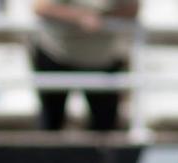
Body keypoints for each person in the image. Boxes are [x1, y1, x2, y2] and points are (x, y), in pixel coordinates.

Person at [31, 0, 137, 132]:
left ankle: (100, 152)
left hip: (104, 59)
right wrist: (80, 16)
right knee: (52, 121)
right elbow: (40, 6)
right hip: (55, 53)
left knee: (105, 125)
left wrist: (99, 18)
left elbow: (133, 8)